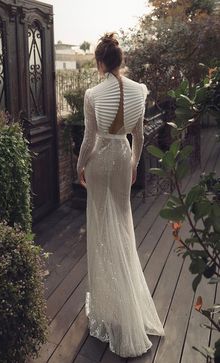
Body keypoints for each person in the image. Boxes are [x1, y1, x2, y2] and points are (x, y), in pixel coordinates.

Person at [76, 32, 165, 358]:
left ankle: (108, 307)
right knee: (123, 228)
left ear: (100, 62)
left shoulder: (92, 93)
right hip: (122, 157)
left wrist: (79, 167)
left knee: (101, 230)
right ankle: (126, 303)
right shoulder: (139, 91)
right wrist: (133, 164)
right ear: (121, 60)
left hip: (100, 164)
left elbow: (89, 139)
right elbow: (139, 136)